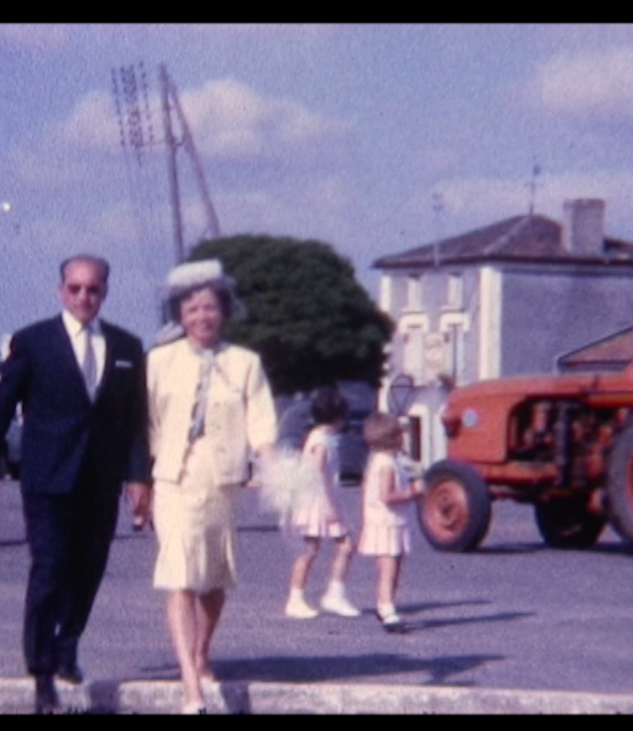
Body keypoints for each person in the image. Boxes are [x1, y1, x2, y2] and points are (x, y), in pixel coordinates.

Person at [0, 254, 150, 714]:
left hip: (100, 477)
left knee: (87, 569)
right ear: (60, 290)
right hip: (48, 476)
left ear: (105, 292)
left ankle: (68, 643)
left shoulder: (128, 346)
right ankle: (41, 672)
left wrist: (137, 476)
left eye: (92, 289)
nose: (83, 297)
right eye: (74, 288)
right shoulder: (33, 341)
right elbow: (2, 402)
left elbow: (134, 421)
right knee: (50, 568)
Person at [146, 259, 277, 714]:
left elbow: (262, 421)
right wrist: (139, 481)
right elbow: (144, 423)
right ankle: (191, 686)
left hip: (221, 479)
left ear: (223, 312)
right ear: (180, 316)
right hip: (172, 480)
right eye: (192, 309)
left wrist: (270, 461)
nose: (201, 316)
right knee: (179, 576)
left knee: (213, 579)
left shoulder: (244, 364)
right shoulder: (159, 361)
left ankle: (203, 652)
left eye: (209, 308)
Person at [284, 387, 360, 619]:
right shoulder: (321, 442)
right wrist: (330, 509)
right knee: (316, 549)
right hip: (319, 503)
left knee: (337, 546)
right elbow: (316, 475)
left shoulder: (322, 437)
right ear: (338, 416)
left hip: (322, 501)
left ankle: (331, 594)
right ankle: (299, 599)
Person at [358, 412, 425, 632]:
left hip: (389, 522)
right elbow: (387, 496)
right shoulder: (386, 464)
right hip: (386, 522)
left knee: (394, 566)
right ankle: (387, 610)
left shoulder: (381, 460)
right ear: (394, 438)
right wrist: (412, 491)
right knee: (389, 568)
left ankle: (385, 605)